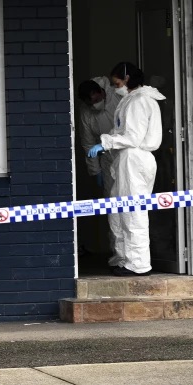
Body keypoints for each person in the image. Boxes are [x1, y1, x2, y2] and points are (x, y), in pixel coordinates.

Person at [85, 61, 165, 276]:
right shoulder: (131, 100)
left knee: (132, 212)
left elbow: (133, 137)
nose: (115, 87)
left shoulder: (139, 101)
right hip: (129, 159)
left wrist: (106, 143)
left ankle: (138, 264)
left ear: (127, 79)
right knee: (120, 210)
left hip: (134, 158)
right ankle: (124, 259)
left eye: (117, 83)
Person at [74, 77, 120, 259]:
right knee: (113, 208)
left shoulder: (116, 95)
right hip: (107, 159)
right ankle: (118, 255)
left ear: (102, 92)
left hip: (128, 155)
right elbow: (87, 143)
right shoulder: (86, 113)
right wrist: (96, 171)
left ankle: (135, 256)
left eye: (97, 100)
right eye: (91, 103)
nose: (95, 105)